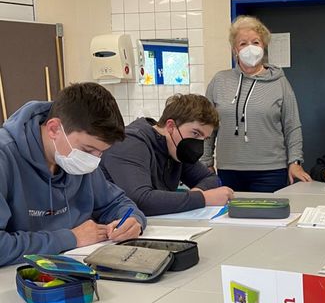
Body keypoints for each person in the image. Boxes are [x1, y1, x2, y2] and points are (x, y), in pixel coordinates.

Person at [0, 82, 146, 267]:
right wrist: (70, 238)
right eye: (88, 149)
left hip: (78, 267)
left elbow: (117, 202)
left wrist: (133, 220)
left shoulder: (77, 161)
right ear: (54, 129)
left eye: (101, 152)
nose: (94, 160)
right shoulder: (5, 157)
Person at [202, 15, 311, 192]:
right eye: (243, 43)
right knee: (229, 211)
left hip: (270, 171)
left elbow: (292, 126)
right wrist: (206, 162)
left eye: (255, 42)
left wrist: (295, 162)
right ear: (235, 49)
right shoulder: (219, 81)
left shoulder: (280, 82)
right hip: (228, 169)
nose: (250, 48)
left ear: (263, 46)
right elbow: (207, 126)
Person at [101, 94, 233, 216]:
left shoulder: (175, 148)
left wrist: (197, 192)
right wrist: (202, 198)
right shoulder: (129, 143)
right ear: (170, 126)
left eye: (204, 138)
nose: (198, 144)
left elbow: (210, 178)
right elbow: (140, 200)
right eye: (195, 133)